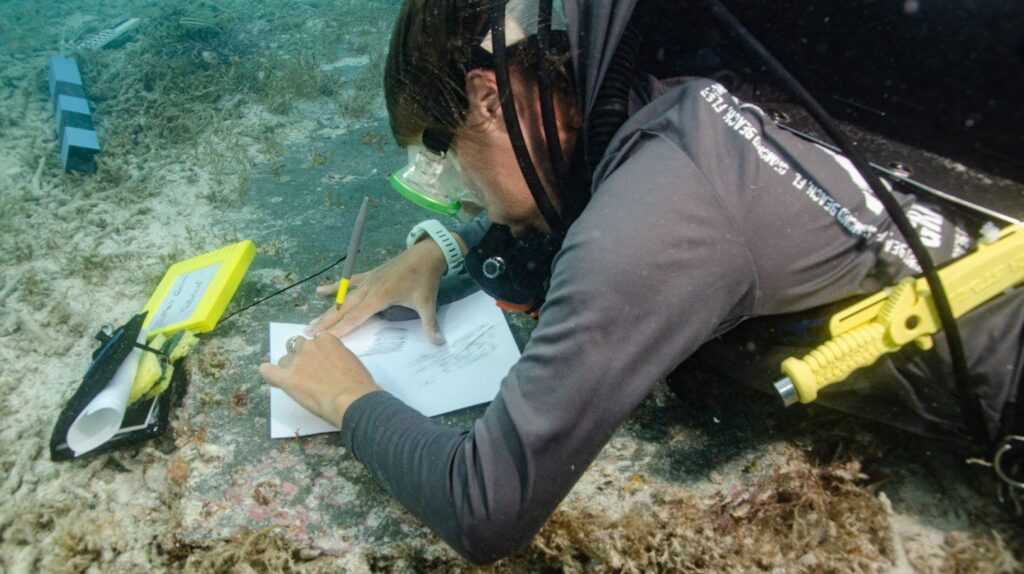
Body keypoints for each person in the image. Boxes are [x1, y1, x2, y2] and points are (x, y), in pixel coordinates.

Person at [258, 0, 1024, 564]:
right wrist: (447, 247)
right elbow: (569, 182)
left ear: (490, 98)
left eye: (442, 157)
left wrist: (347, 399)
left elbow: (483, 506)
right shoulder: (662, 71)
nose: (457, 191)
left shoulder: (653, 221)